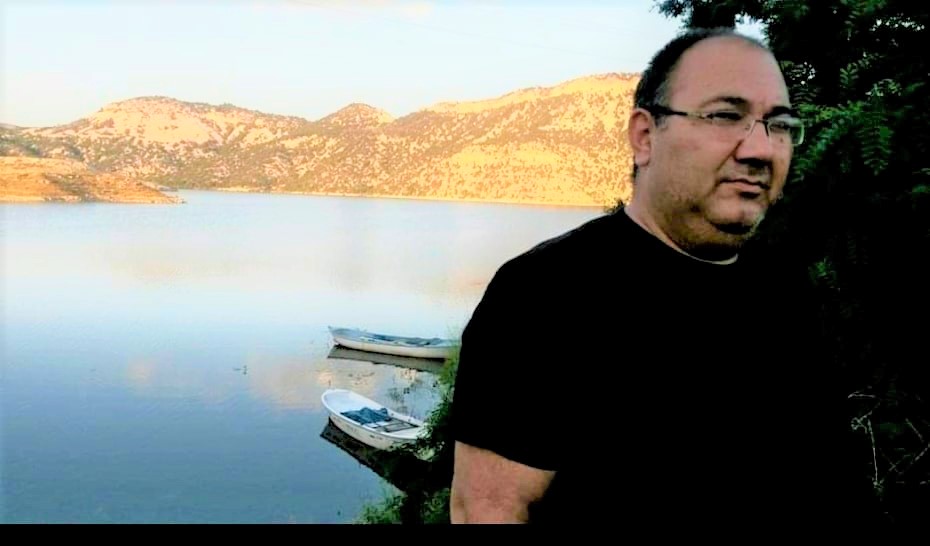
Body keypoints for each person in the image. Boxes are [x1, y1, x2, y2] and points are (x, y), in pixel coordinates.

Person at [449, 27, 881, 529]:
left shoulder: (788, 290)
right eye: (725, 116)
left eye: (779, 125)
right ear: (645, 136)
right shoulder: (545, 296)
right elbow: (489, 510)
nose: (761, 150)